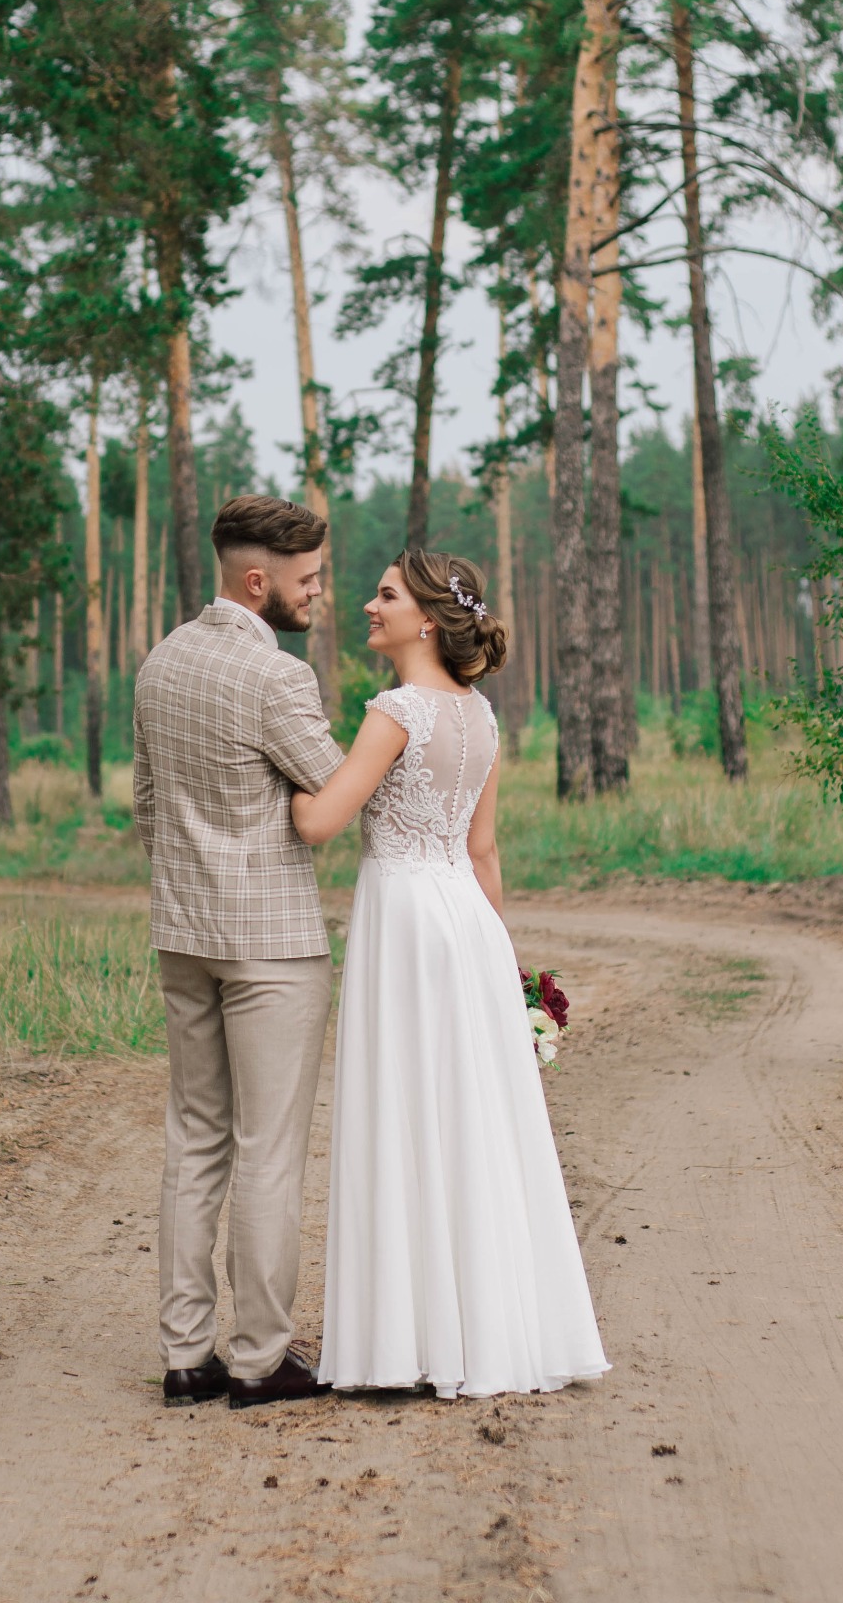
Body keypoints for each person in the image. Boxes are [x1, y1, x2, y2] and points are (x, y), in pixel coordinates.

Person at [292, 549, 609, 1401]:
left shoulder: (395, 711)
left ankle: (406, 1339)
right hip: (466, 922)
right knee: (469, 1119)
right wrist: (501, 968)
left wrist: (267, 765)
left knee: (405, 1113)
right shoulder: (481, 716)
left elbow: (319, 822)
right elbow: (483, 850)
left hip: (403, 917)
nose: (369, 605)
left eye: (386, 596)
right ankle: (485, 1329)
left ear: (427, 620)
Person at [132, 494, 343, 1410]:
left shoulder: (160, 663)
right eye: (308, 579)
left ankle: (186, 1357)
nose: (318, 593)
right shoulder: (278, 678)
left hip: (184, 937)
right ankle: (260, 1356)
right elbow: (335, 789)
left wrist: (196, 879)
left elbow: (147, 807)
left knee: (195, 1139)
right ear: (258, 581)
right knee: (269, 1149)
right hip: (272, 950)